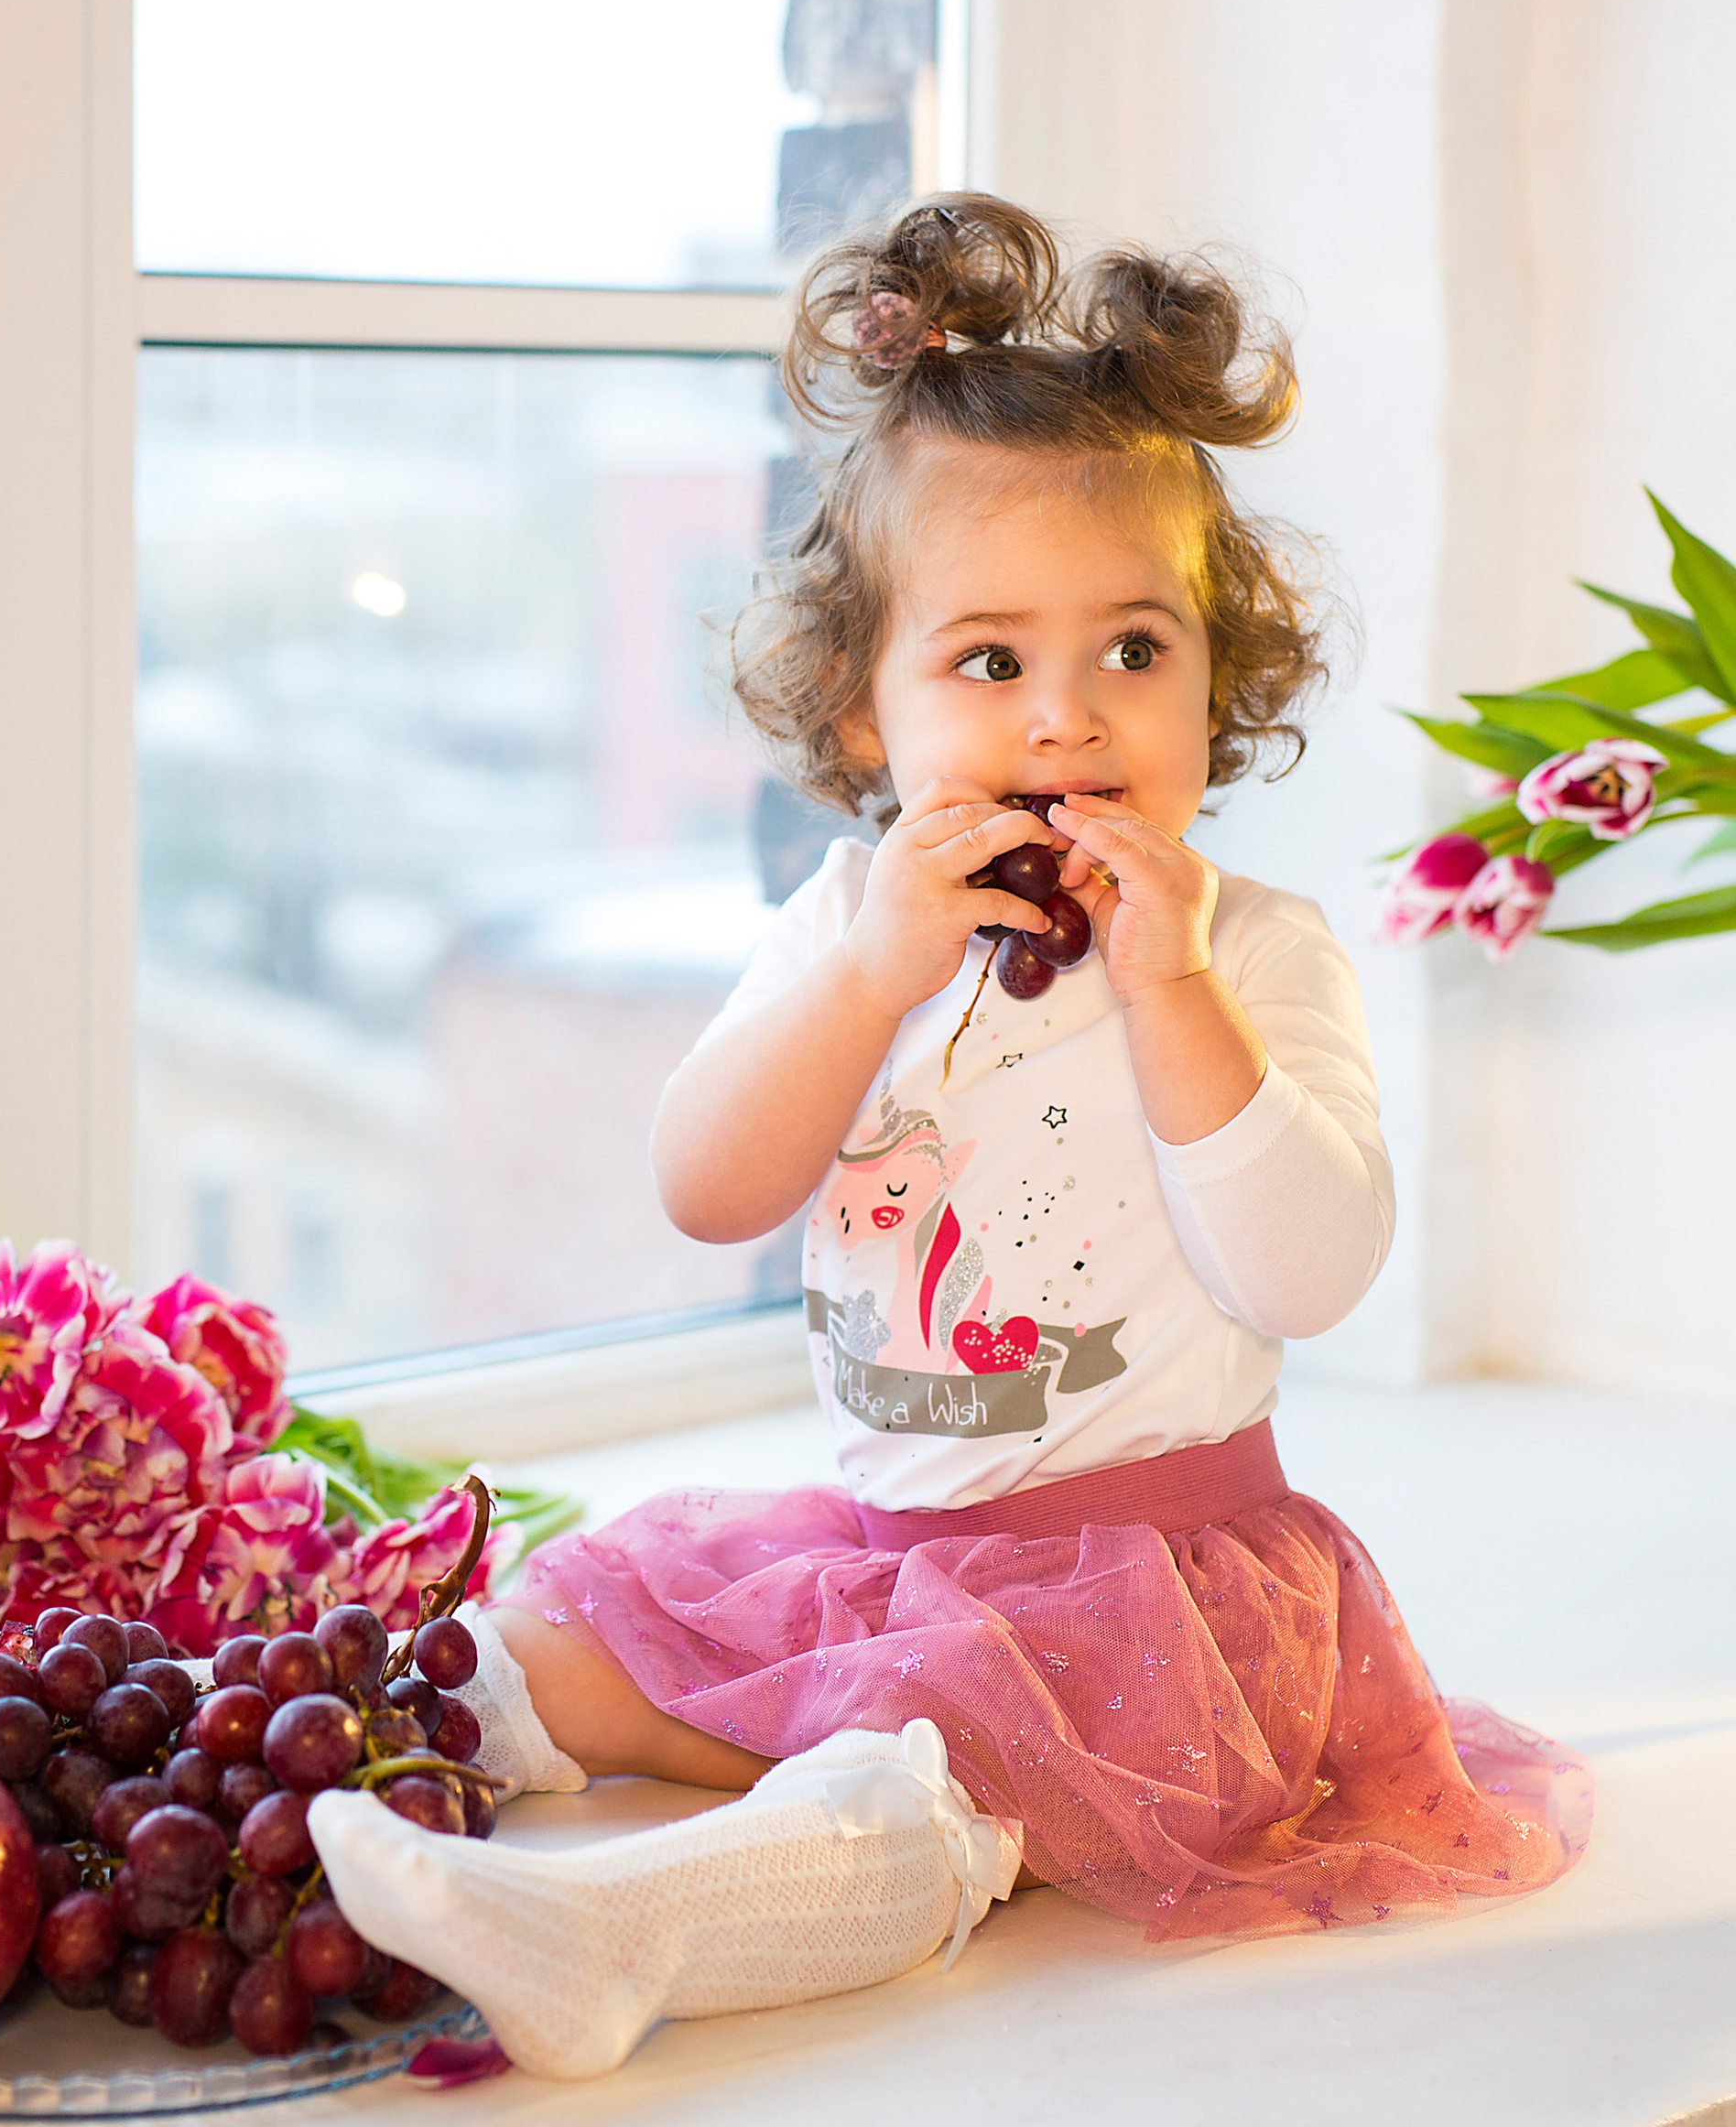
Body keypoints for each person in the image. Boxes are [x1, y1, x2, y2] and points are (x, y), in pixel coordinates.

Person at [309, 194, 1592, 2076]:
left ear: (1210, 682)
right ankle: (157, 1741)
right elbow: (704, 1186)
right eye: (988, 661)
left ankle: (620, 1926)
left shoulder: (1246, 952)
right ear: (861, 705)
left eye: (1130, 650)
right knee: (541, 1644)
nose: (1066, 715)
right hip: (876, 1550)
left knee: (905, 1784)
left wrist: (1170, 999)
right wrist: (856, 982)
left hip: (1142, 1593)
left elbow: (1305, 1270)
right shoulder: (848, 929)